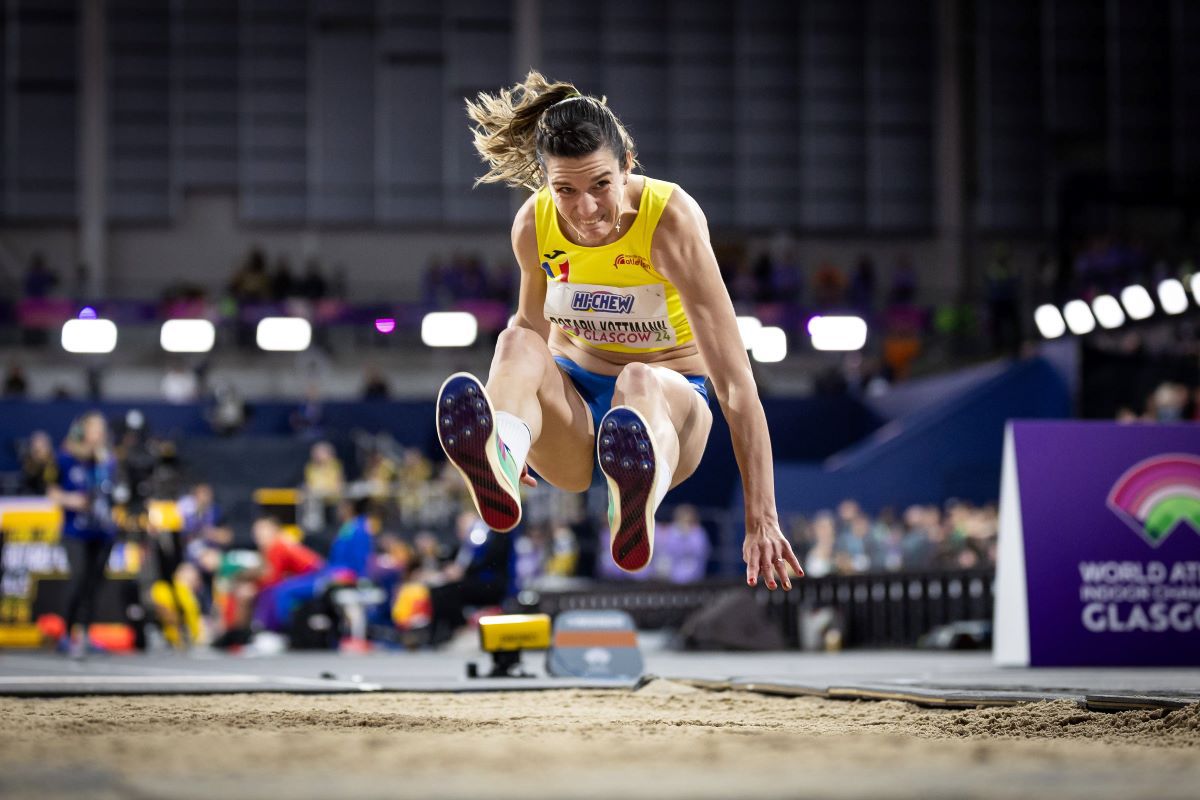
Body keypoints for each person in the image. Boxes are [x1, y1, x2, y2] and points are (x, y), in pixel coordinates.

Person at [435, 72, 803, 589]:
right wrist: (513, 420)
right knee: (515, 339)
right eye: (564, 189)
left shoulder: (670, 221)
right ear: (544, 181)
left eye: (600, 185)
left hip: (672, 410)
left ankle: (635, 489)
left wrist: (761, 515)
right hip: (575, 415)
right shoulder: (533, 227)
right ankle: (503, 450)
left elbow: (738, 384)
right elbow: (529, 348)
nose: (585, 210)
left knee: (638, 379)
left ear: (627, 164)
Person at [47, 412, 119, 657]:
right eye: (95, 429)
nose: (100, 434)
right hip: (75, 531)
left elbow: (112, 494)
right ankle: (67, 634)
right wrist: (71, 500)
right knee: (77, 579)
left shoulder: (107, 462)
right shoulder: (66, 459)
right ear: (83, 432)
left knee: (93, 584)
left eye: (102, 429)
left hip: (102, 531)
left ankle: (86, 635)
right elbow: (52, 492)